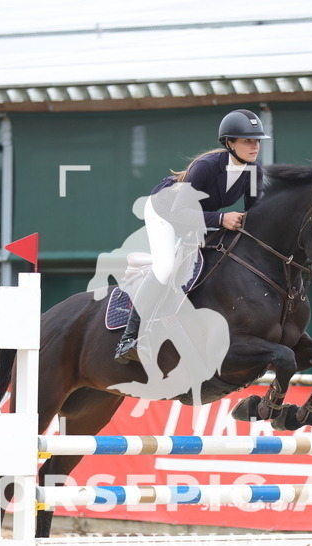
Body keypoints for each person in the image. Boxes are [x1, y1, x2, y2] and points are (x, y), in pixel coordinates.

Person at [114, 108, 271, 364]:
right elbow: (180, 212)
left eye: (257, 141)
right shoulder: (206, 166)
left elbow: (253, 214)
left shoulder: (254, 171)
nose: (255, 147)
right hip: (164, 211)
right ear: (229, 143)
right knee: (165, 267)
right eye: (247, 141)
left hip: (198, 214)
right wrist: (221, 219)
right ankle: (128, 340)